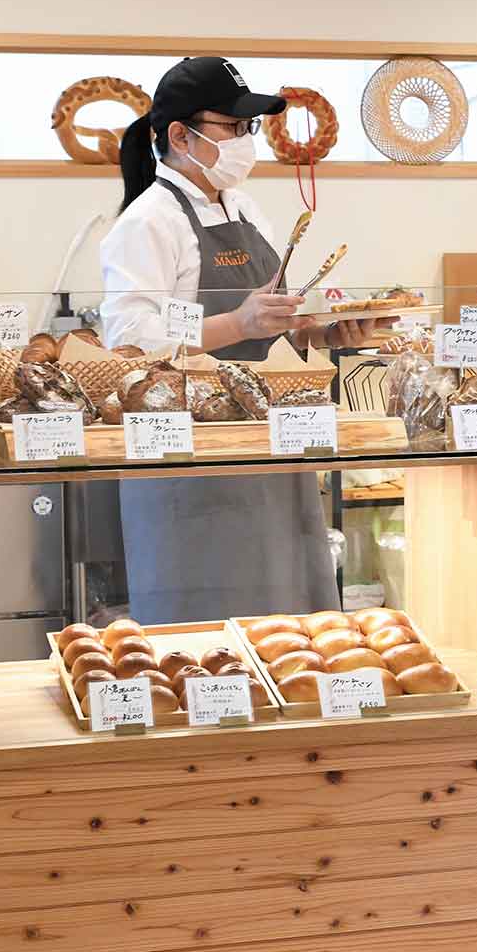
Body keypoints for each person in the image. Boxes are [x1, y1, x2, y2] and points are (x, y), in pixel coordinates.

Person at [99, 57, 379, 622]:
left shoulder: (244, 206)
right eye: (234, 126)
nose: (247, 141)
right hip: (191, 462)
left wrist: (319, 331)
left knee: (290, 619)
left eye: (250, 127)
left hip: (268, 442)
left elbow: (265, 329)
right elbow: (131, 343)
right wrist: (237, 324)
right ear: (180, 135)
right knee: (206, 638)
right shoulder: (148, 221)